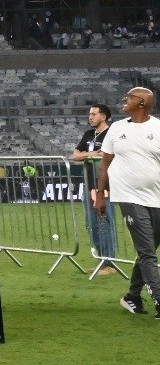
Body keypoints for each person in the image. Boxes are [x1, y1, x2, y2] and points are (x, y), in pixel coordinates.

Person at [96, 87, 160, 316]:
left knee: (148, 251)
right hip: (128, 196)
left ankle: (132, 297)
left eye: (130, 97)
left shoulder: (158, 128)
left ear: (142, 103)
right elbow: (105, 165)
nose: (125, 99)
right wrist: (100, 194)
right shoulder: (117, 128)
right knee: (147, 252)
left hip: (156, 197)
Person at [73, 103, 121, 275]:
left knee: (105, 223)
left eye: (94, 114)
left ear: (104, 116)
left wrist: (88, 155)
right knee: (92, 224)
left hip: (104, 187)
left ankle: (110, 264)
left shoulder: (111, 135)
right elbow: (75, 155)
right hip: (89, 185)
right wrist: (92, 154)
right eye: (89, 114)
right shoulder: (88, 134)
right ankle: (102, 261)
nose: (90, 117)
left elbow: (110, 157)